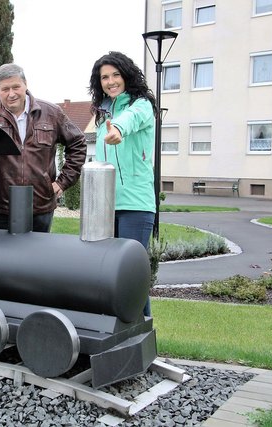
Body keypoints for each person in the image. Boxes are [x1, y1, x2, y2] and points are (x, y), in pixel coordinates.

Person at [0, 63, 87, 232]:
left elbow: (78, 143)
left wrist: (63, 182)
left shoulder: (51, 113)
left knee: (37, 257)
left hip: (40, 206)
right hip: (0, 208)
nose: (11, 94)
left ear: (25, 85)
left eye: (16, 87)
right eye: (5, 89)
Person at [89, 51, 156, 316]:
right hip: (105, 207)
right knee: (110, 275)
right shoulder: (102, 110)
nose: (110, 81)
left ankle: (142, 334)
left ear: (127, 75)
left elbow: (130, 120)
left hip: (135, 204)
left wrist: (117, 128)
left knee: (132, 274)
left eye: (116, 74)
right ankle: (118, 335)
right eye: (105, 77)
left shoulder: (141, 105)